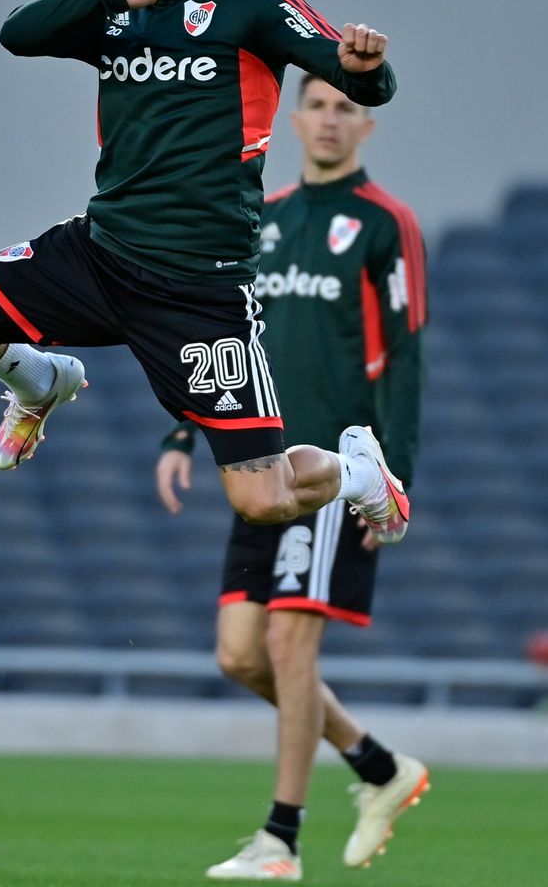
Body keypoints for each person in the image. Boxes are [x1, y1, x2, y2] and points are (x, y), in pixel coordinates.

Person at [0, 0, 408, 541]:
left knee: (262, 499)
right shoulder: (115, 10)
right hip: (99, 255)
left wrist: (367, 70)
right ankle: (38, 381)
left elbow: (353, 71)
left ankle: (359, 475)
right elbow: (16, 32)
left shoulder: (249, 4)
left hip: (201, 290)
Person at [155, 73, 429, 880]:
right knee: (240, 656)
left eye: (347, 108)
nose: (330, 119)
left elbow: (406, 354)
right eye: (317, 104)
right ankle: (379, 767)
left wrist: (393, 479)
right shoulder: (261, 218)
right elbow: (223, 335)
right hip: (262, 464)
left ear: (366, 127)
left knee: (287, 641)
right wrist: (182, 429)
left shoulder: (387, 224)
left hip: (340, 473)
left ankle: (280, 840)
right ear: (295, 117)